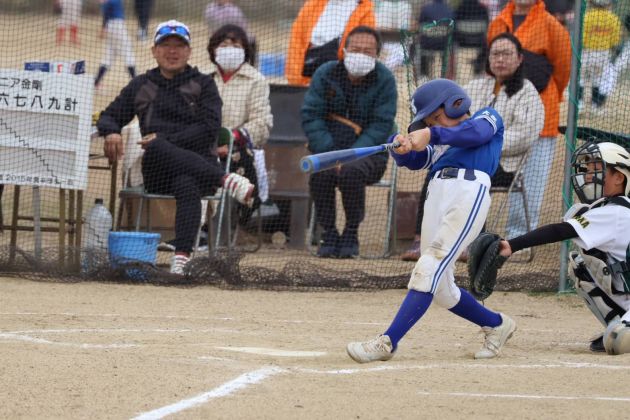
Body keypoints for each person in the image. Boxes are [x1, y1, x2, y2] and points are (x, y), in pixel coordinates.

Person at [346, 78, 516, 363]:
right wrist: (402, 149)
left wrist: (432, 133)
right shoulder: (441, 142)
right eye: (429, 121)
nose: (434, 124)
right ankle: (497, 324)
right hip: (436, 194)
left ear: (455, 104)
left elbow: (475, 134)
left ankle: (388, 342)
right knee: (441, 288)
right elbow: (417, 161)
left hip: (467, 191)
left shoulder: (487, 117)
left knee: (429, 267)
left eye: (437, 117)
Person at [97, 20, 255, 275]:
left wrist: (164, 141)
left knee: (185, 181)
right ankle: (226, 179)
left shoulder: (204, 84)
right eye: (166, 45)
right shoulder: (141, 85)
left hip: (199, 170)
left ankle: (181, 257)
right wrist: (112, 131)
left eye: (179, 46)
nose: (172, 51)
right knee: (156, 147)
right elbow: (109, 115)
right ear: (154, 51)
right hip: (158, 173)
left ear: (189, 51)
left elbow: (210, 129)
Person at [401, 33, 545, 262]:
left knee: (471, 174)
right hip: (458, 153)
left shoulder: (528, 92)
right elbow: (455, 121)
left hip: (504, 163)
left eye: (506, 54)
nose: (500, 59)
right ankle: (422, 240)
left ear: (519, 59)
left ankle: (471, 243)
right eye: (495, 54)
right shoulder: (476, 85)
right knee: (437, 171)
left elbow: (524, 136)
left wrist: (482, 143)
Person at [497, 140, 630, 353]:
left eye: (596, 170)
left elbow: (560, 231)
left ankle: (621, 327)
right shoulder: (613, 208)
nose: (588, 176)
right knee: (581, 264)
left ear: (619, 177)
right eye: (587, 170)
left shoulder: (615, 212)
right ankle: (618, 322)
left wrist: (512, 245)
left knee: (617, 343)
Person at [301, 26, 396, 258]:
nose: (360, 54)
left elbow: (382, 124)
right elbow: (311, 115)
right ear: (344, 50)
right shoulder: (325, 73)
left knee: (351, 172)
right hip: (328, 147)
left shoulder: (385, 79)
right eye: (355, 49)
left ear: (377, 54)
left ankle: (351, 232)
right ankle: (328, 233)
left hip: (369, 154)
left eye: (367, 51)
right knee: (321, 172)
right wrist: (331, 153)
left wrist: (351, 155)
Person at [487, 0, 571, 241]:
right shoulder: (498, 23)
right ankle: (474, 229)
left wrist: (548, 93)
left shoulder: (552, 26)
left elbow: (563, 69)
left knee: (532, 178)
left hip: (542, 114)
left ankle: (519, 236)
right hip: (503, 112)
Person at [286, 0, 375, 86]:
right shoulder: (312, 5)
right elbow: (296, 44)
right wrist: (296, 82)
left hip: (340, 81)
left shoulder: (365, 11)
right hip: (307, 79)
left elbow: (363, 51)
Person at [578, 0, 621, 114]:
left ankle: (580, 104)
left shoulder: (587, 17)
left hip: (587, 52)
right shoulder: (613, 19)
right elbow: (615, 40)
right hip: (603, 53)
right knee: (598, 79)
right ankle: (595, 105)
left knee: (581, 78)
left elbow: (581, 38)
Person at [94, 0, 136, 88]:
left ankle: (96, 82)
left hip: (110, 26)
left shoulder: (107, 2)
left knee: (108, 56)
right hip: (118, 26)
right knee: (128, 54)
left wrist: (103, 28)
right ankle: (136, 82)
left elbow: (105, 12)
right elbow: (106, 11)